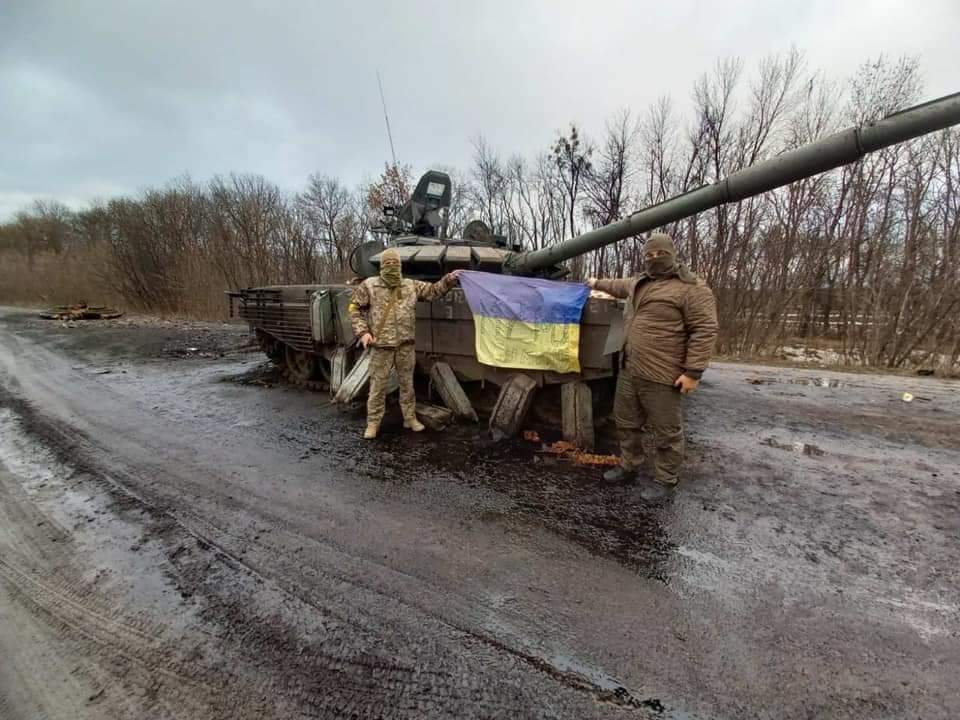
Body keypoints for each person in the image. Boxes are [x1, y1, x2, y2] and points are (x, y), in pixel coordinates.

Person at [587, 233, 718, 497]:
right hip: (630, 367)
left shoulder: (691, 288)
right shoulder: (640, 283)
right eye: (649, 255)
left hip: (662, 373)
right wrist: (595, 282)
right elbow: (618, 285)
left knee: (666, 431)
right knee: (626, 422)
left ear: (672, 254)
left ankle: (666, 480)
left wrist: (693, 372)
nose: (654, 259)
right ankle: (629, 465)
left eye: (660, 254)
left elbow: (705, 329)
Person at [348, 248, 462, 439]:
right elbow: (354, 308)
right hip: (381, 346)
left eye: (395, 263)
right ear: (382, 266)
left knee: (407, 385)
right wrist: (363, 332)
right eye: (388, 264)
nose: (392, 267)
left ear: (400, 266)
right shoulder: (370, 285)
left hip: (405, 345)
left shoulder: (410, 285)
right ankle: (373, 423)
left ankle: (409, 418)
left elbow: (433, 291)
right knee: (378, 387)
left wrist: (449, 279)